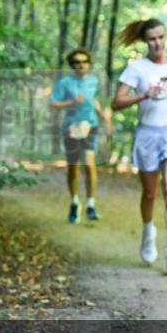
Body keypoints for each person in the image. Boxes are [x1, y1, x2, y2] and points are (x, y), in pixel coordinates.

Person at [112, 19, 167, 271]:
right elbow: (116, 103)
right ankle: (148, 233)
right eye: (152, 39)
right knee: (150, 193)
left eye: (160, 37)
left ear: (165, 37)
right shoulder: (137, 69)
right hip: (147, 134)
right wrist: (143, 95)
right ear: (145, 41)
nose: (157, 43)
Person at [49, 48, 112, 223]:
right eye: (77, 62)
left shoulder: (93, 81)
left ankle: (91, 204)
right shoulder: (64, 82)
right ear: (72, 65)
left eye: (84, 62)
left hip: (90, 126)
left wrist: (103, 115)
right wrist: (71, 102)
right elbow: (53, 103)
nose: (81, 65)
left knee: (90, 165)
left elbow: (94, 100)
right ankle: (75, 202)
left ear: (89, 64)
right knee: (73, 167)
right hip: (72, 127)